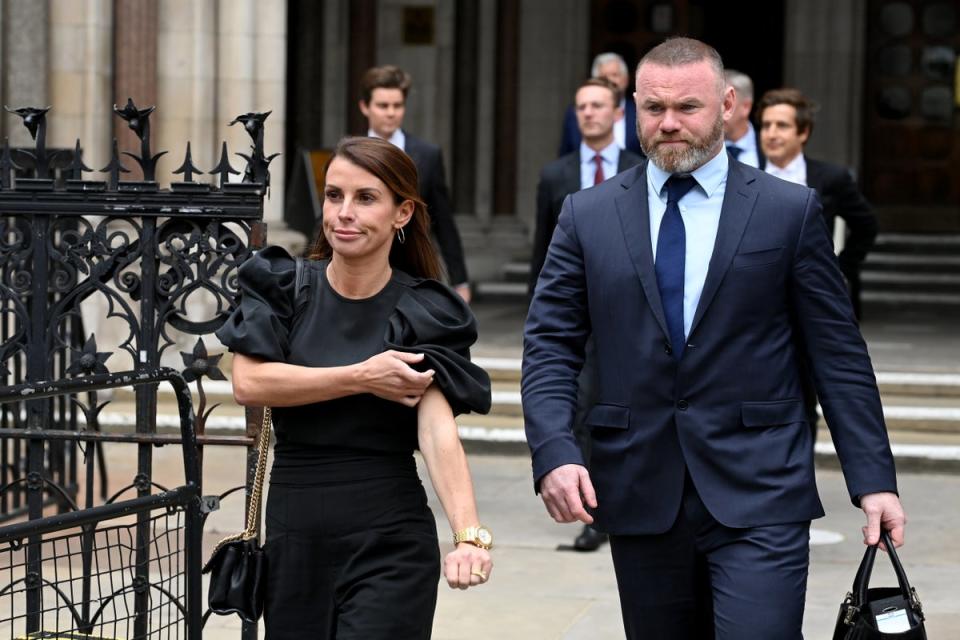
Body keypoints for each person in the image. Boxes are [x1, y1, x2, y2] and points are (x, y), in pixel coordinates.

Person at [522, 37, 905, 639]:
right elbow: (549, 344)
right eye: (653, 108)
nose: (669, 123)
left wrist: (874, 479)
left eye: (688, 107)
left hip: (761, 485)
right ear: (634, 110)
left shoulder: (789, 211)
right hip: (639, 485)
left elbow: (837, 354)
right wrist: (553, 450)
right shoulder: (585, 215)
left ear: (728, 105)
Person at [217, 136, 494, 638]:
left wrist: (468, 536)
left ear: (402, 213)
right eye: (333, 195)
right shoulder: (285, 286)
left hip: (389, 534)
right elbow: (250, 381)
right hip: (294, 532)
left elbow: (436, 431)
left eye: (365, 198)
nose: (343, 212)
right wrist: (362, 375)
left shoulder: (425, 311)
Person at [530, 77, 644, 553]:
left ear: (618, 113)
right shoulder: (557, 174)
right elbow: (543, 251)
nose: (589, 114)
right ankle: (591, 511)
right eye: (581, 106)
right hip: (578, 314)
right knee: (579, 405)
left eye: (598, 106)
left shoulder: (640, 168)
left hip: (626, 315)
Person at [758, 87, 877, 319]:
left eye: (782, 126)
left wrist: (841, 268)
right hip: (759, 296)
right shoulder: (743, 175)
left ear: (803, 133)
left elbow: (867, 225)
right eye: (765, 125)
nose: (771, 134)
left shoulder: (831, 178)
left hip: (815, 297)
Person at [358, 65, 471, 303]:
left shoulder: (428, 155)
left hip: (412, 272)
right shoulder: (349, 155)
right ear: (365, 107)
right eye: (382, 106)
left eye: (397, 106)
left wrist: (460, 279)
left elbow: (443, 220)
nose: (391, 113)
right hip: (360, 269)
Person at [558, 52, 644, 156]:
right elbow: (566, 153)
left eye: (614, 75)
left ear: (626, 79)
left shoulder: (639, 111)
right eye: (603, 76)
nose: (610, 80)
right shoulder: (577, 112)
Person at [722, 69, 765, 169]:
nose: (718, 111)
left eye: (726, 104)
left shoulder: (770, 146)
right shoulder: (702, 148)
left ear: (746, 107)